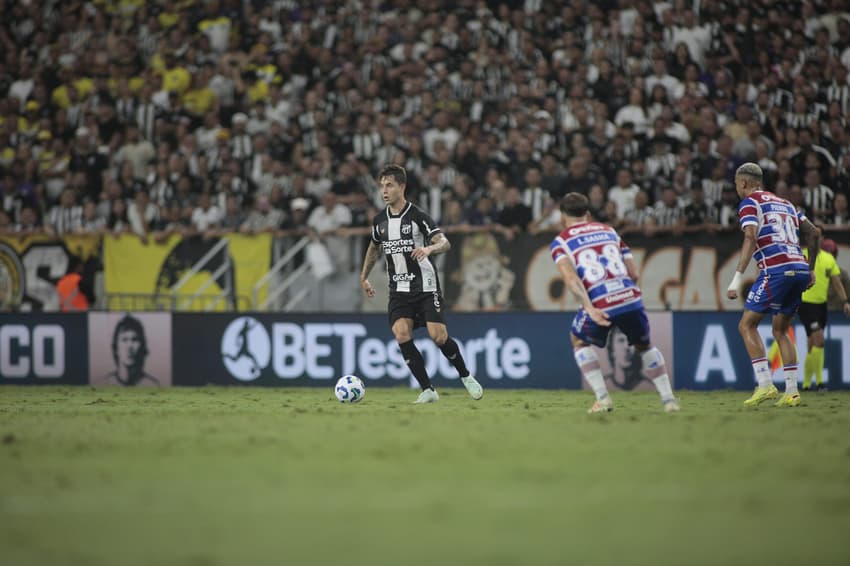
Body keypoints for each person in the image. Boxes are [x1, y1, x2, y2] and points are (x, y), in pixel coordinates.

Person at [360, 164, 483, 404]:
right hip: (399, 290)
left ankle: (465, 375)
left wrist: (429, 248)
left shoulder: (417, 216)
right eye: (382, 186)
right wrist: (364, 277)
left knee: (439, 337)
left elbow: (444, 242)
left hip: (425, 287)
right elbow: (374, 248)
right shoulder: (379, 221)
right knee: (401, 333)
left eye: (389, 185)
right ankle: (428, 390)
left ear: (402, 187)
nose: (384, 191)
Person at [550, 192, 679, 413]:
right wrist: (624, 295)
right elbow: (633, 273)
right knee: (644, 345)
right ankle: (669, 401)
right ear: (587, 214)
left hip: (601, 302)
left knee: (578, 340)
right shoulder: (610, 231)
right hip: (629, 296)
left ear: (563, 216)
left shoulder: (561, 242)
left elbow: (571, 279)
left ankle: (603, 399)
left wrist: (589, 307)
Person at [726, 163, 819, 408]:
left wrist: (737, 277)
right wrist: (810, 268)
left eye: (736, 184)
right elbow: (814, 233)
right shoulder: (787, 204)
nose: (737, 189)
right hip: (799, 269)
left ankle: (765, 384)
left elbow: (750, 236)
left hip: (776, 269)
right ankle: (792, 392)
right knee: (780, 330)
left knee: (747, 325)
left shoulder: (749, 203)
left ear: (743, 183)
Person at [799, 238, 850, 391]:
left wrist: (845, 301)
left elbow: (837, 282)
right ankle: (820, 383)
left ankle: (806, 384)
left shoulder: (828, 259)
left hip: (821, 305)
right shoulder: (801, 255)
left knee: (812, 343)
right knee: (819, 339)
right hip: (805, 304)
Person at [102, 314, 159, 386]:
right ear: (116, 348)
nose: (129, 346)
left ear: (142, 346)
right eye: (124, 340)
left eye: (134, 339)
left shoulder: (153, 385)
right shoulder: (104, 383)